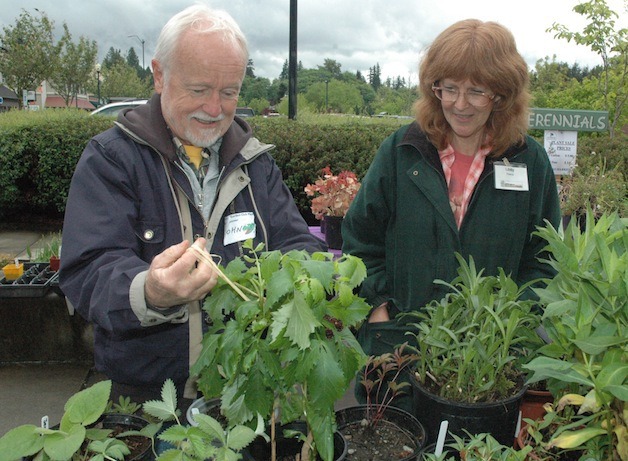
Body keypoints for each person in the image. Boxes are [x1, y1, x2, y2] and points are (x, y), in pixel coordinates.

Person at [59, 4, 326, 412]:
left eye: (230, 91)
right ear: (160, 75)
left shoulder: (256, 163)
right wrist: (149, 290)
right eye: (200, 89)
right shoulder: (113, 159)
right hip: (147, 398)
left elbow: (296, 241)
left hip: (246, 389)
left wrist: (306, 277)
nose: (215, 108)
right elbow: (86, 270)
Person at [342, 19, 561, 410]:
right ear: (434, 87)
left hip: (487, 366)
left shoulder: (530, 163)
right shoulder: (401, 151)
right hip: (399, 349)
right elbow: (360, 239)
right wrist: (379, 311)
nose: (460, 104)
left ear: (501, 94)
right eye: (449, 88)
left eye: (476, 90)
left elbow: (544, 262)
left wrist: (510, 329)